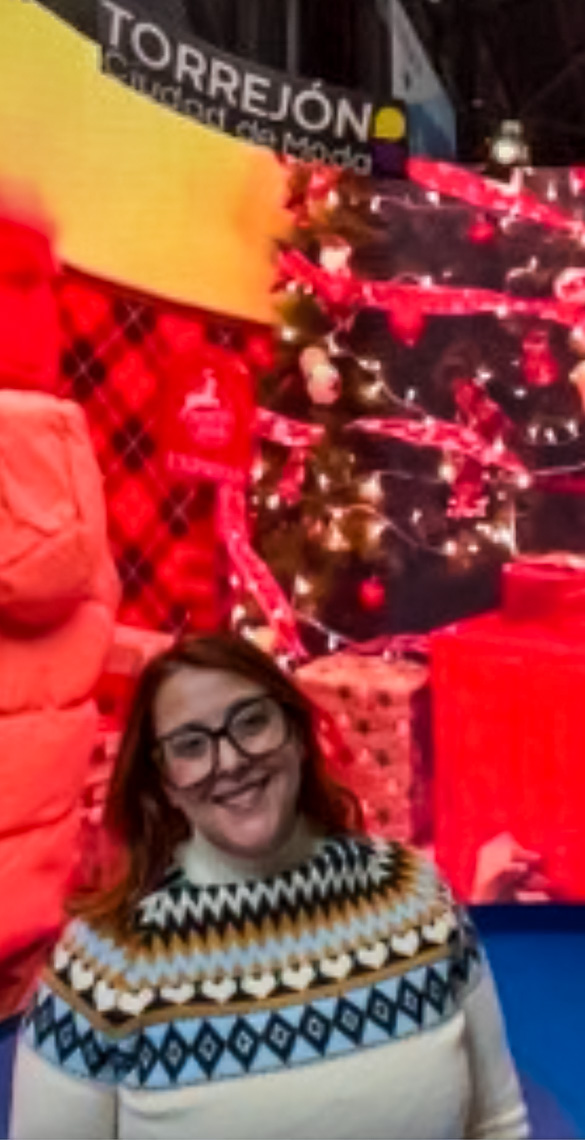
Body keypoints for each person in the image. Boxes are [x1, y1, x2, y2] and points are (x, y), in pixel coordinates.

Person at [10, 633, 529, 1140]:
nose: (231, 761)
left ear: (297, 734)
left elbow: (497, 1125)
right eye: (191, 746)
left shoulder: (415, 894)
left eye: (251, 722)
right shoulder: (103, 965)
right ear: (165, 784)